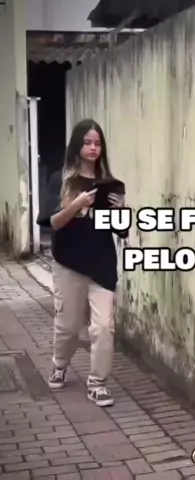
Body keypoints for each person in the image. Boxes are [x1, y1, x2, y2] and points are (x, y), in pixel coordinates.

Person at [37, 119, 128, 407]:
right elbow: (52, 223)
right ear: (77, 146)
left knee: (103, 327)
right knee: (69, 326)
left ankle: (97, 382)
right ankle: (60, 364)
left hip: (102, 265)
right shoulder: (61, 180)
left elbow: (121, 231)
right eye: (87, 142)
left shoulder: (109, 185)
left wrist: (121, 211)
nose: (93, 148)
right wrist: (76, 204)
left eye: (98, 143)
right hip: (69, 264)